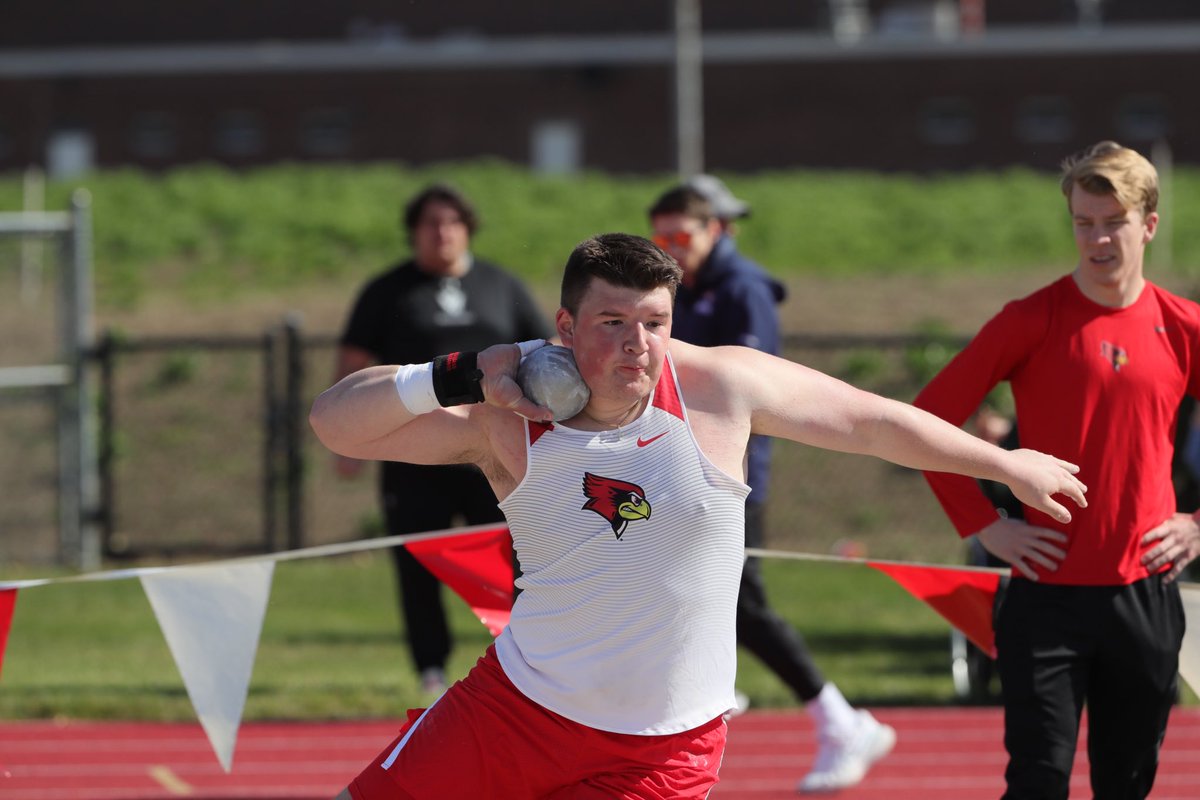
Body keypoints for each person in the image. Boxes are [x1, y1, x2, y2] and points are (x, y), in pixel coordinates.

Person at [310, 232, 1087, 800]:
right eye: (612, 322)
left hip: (663, 749)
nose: (637, 344)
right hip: (516, 711)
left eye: (653, 322)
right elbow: (336, 423)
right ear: (565, 326)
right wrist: (457, 373)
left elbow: (871, 422)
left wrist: (1005, 465)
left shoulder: (720, 390)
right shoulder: (506, 417)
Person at [913, 140, 1200, 799]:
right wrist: (985, 524)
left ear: (1148, 225)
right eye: (1083, 223)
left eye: (1113, 222)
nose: (1097, 239)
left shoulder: (1184, 327)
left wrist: (1199, 527)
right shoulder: (1030, 320)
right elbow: (928, 421)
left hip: (1145, 592)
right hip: (1045, 593)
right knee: (1038, 781)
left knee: (1126, 783)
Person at [649, 180, 895, 792]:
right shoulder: (682, 291)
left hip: (730, 478)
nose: (674, 248)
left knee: (745, 602)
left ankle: (837, 717)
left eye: (685, 236)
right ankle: (712, 679)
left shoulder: (744, 289)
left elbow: (752, 392)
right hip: (675, 470)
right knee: (686, 586)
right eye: (662, 238)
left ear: (718, 231)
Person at [333, 183, 553, 695]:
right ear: (414, 232)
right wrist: (345, 444)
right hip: (413, 455)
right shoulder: (388, 291)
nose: (442, 232)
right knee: (418, 561)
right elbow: (352, 365)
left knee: (508, 557)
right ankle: (430, 669)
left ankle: (519, 662)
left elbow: (547, 353)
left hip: (492, 454)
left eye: (452, 222)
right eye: (431, 223)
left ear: (468, 228)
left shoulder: (501, 285)